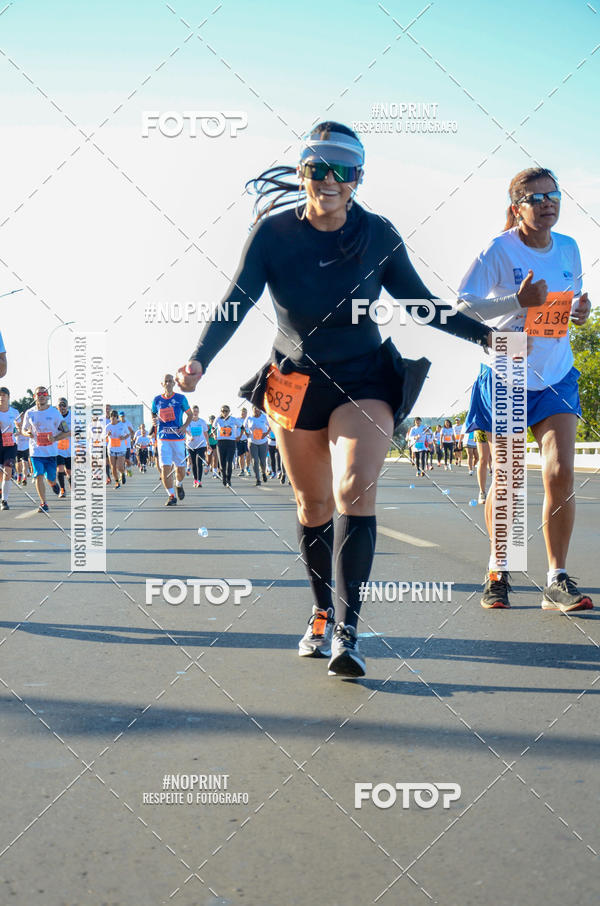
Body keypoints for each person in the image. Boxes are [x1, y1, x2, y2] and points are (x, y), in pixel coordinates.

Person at [176, 121, 493, 677]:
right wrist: (200, 358)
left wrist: (484, 334)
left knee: (353, 488)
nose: (328, 180)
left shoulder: (377, 234)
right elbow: (237, 301)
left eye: (341, 171)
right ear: (303, 173)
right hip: (295, 382)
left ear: (357, 179)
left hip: (364, 378)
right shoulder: (273, 235)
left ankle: (348, 629)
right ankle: (321, 610)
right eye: (318, 168)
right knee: (313, 505)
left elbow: (420, 303)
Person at [458, 166, 593, 612]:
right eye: (537, 198)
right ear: (517, 207)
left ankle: (556, 579)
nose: (548, 202)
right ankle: (499, 568)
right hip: (508, 368)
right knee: (511, 479)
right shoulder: (497, 249)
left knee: (559, 473)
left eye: (554, 195)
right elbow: (462, 309)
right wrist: (517, 302)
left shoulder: (570, 248)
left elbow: (566, 304)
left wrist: (579, 311)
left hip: (556, 372)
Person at [21, 386, 69, 512]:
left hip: (51, 453)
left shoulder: (55, 413)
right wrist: (27, 434)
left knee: (50, 477)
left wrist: (55, 438)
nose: (41, 395)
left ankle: (53, 484)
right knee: (38, 475)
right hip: (36, 452)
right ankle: (44, 503)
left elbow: (66, 431)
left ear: (47, 396)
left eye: (44, 393)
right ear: (35, 397)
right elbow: (23, 429)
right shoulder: (29, 413)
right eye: (39, 394)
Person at [151, 374, 192, 505]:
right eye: (165, 381)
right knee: (165, 468)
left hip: (178, 439)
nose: (168, 383)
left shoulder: (181, 398)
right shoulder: (157, 400)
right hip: (163, 438)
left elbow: (190, 414)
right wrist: (154, 420)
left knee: (180, 469)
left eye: (170, 381)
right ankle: (171, 496)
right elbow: (153, 413)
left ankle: (179, 484)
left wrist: (185, 426)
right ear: (162, 384)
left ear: (174, 383)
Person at [0, 387, 20, 509]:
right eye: (0, 395)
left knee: (7, 471)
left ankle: (4, 501)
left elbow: (19, 428)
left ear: (8, 397)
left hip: (10, 445)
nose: (1, 397)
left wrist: (18, 429)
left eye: (4, 395)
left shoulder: (14, 412)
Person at [244, 405, 270, 485]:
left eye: (257, 408)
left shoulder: (264, 417)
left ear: (260, 409)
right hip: (252, 442)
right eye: (254, 408)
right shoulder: (249, 418)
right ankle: (258, 479)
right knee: (255, 461)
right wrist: (247, 434)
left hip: (263, 442)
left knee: (262, 461)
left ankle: (263, 473)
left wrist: (265, 434)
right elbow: (244, 427)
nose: (256, 409)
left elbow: (270, 426)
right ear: (252, 409)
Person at [214, 404, 237, 487]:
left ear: (229, 412)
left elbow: (241, 427)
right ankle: (224, 478)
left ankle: (229, 479)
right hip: (221, 443)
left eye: (226, 411)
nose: (224, 412)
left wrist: (239, 436)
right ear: (221, 412)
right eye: (223, 411)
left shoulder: (233, 419)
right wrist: (214, 435)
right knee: (222, 463)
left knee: (229, 461)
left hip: (231, 442)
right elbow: (213, 427)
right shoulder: (218, 419)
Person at [105, 410, 130, 487]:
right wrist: (107, 435)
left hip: (121, 449)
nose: (112, 418)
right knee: (113, 467)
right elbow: (103, 438)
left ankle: (122, 474)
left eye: (114, 417)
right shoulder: (108, 426)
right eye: (111, 417)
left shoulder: (122, 425)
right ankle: (117, 482)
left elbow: (128, 434)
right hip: (111, 449)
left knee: (120, 467)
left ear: (117, 417)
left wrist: (123, 437)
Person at [186, 406, 209, 487]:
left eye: (196, 411)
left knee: (199, 462)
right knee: (193, 464)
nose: (195, 413)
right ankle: (195, 480)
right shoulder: (188, 422)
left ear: (198, 412)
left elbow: (206, 433)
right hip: (191, 445)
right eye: (193, 411)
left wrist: (208, 444)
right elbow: (187, 432)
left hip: (201, 445)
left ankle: (199, 481)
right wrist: (189, 437)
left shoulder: (202, 422)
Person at [56, 397, 72, 498]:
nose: (62, 408)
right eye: (60, 406)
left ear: (67, 406)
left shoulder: (73, 416)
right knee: (60, 468)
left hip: (70, 448)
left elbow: (78, 431)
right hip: (58, 448)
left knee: (69, 472)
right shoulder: (55, 416)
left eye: (64, 405)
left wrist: (67, 432)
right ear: (57, 407)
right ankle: (62, 489)